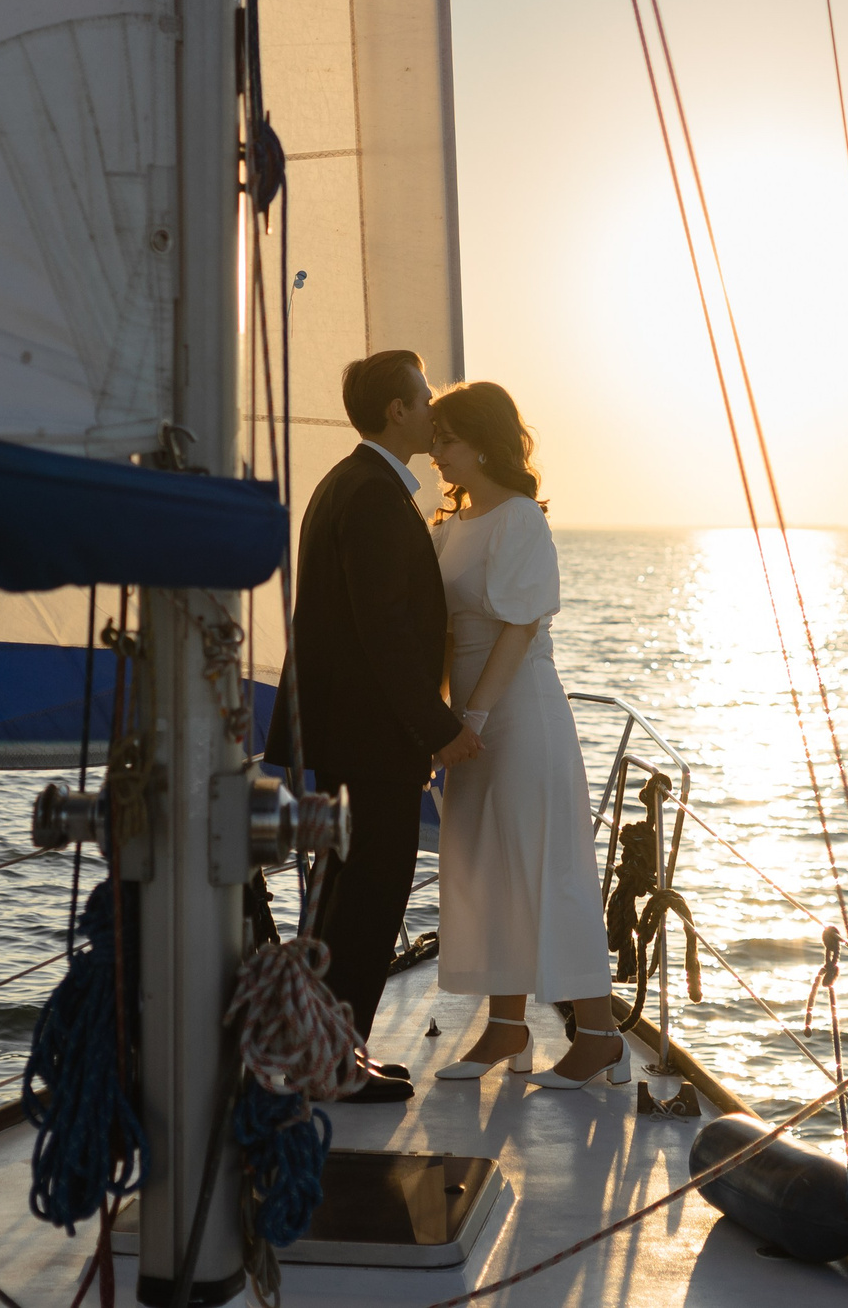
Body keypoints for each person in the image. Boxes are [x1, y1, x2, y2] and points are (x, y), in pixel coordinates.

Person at [263, 350, 484, 1104]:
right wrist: (437, 728)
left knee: (341, 898)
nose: (433, 409)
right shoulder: (375, 500)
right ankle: (332, 1061)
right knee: (365, 901)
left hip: (345, 735)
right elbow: (383, 631)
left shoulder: (348, 484)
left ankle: (324, 1049)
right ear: (397, 410)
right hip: (370, 741)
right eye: (423, 397)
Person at [423, 382, 630, 1090]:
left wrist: (474, 718)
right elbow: (444, 636)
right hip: (469, 719)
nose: (436, 451)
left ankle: (599, 1035)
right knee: (487, 868)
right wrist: (439, 724)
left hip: (519, 711)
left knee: (548, 868)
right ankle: (507, 1028)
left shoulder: (519, 520)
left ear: (483, 443)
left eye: (447, 438)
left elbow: (521, 627)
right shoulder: (450, 525)